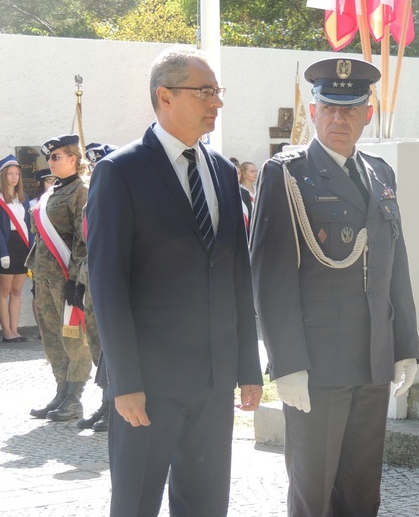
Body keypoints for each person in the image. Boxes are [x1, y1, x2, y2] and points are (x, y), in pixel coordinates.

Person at [86, 47, 263, 517]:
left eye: (217, 92)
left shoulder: (223, 171)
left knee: (205, 505)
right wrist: (125, 380)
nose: (216, 103)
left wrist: (248, 365)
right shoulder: (119, 172)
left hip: (212, 378)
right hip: (148, 383)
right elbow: (107, 285)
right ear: (165, 96)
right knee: (136, 503)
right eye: (205, 92)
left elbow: (236, 274)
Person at [249, 57, 419, 516]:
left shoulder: (380, 173)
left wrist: (404, 343)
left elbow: (395, 267)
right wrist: (286, 364)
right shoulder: (286, 175)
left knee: (362, 491)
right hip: (317, 365)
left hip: (372, 357)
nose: (338, 119)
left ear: (368, 112)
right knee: (314, 492)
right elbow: (271, 277)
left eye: (350, 109)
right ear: (312, 111)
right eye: (328, 108)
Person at [27, 134, 91, 422]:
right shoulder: (51, 192)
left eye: (56, 157)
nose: (50, 162)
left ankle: (74, 398)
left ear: (73, 159)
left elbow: (82, 239)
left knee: (73, 336)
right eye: (49, 157)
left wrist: (75, 279)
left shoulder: (81, 192)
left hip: (66, 277)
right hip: (44, 277)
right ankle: (61, 391)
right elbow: (40, 238)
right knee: (51, 336)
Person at [75, 142, 117, 433]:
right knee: (98, 343)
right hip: (92, 278)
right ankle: (106, 401)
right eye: (91, 167)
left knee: (113, 346)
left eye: (98, 165)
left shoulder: (120, 198)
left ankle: (116, 404)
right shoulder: (94, 199)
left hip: (113, 281)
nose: (93, 171)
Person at [0, 155, 33, 343]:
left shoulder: (24, 198)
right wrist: (2, 252)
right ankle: (6, 331)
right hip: (6, 246)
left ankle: (15, 330)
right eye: (10, 174)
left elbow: (28, 226)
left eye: (17, 174)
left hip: (22, 246)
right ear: (3, 176)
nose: (14, 178)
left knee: (17, 291)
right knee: (5, 290)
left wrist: (32, 250)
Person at [29, 167, 56, 333]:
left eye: (54, 180)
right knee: (38, 292)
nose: (52, 183)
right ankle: (42, 328)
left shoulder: (60, 200)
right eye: (48, 181)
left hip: (57, 253)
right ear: (41, 183)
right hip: (40, 253)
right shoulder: (33, 204)